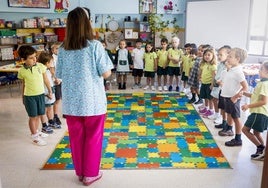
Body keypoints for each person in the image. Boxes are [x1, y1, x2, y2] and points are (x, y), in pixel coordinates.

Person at [56, 7, 114, 185]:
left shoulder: (62, 49)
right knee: (93, 138)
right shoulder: (94, 46)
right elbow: (106, 74)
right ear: (86, 23)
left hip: (72, 104)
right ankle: (90, 174)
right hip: (93, 102)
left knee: (76, 138)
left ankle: (81, 172)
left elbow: (59, 74)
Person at [17, 45, 53, 146]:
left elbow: (46, 79)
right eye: (31, 58)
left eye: (35, 57)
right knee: (33, 117)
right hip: (30, 97)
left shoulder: (40, 66)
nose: (34, 59)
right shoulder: (21, 71)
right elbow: (24, 84)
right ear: (23, 59)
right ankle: (34, 137)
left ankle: (36, 131)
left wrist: (50, 91)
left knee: (38, 115)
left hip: (40, 95)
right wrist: (23, 97)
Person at [218, 48, 248, 146]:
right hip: (227, 96)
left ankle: (238, 139)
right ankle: (229, 130)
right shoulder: (231, 69)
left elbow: (245, 87)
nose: (228, 58)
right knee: (229, 114)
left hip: (233, 99)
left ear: (237, 59)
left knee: (236, 118)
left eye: (230, 56)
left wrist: (235, 97)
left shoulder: (238, 71)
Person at [242, 62, 268, 160]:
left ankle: (260, 147)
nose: (259, 71)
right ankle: (263, 152)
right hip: (260, 113)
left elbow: (263, 101)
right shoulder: (262, 83)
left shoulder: (264, 84)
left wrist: (248, 105)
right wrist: (245, 94)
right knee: (257, 133)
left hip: (259, 112)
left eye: (261, 69)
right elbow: (256, 96)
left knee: (245, 130)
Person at [38, 52, 61, 134]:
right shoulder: (41, 70)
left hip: (51, 89)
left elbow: (50, 79)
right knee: (43, 109)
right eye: (51, 62)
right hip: (45, 91)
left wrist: (54, 79)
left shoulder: (47, 70)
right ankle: (44, 125)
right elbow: (45, 81)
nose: (52, 64)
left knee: (50, 107)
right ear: (47, 62)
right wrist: (49, 92)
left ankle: (50, 121)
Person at [208, 45, 231, 124]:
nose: (218, 56)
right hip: (216, 84)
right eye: (218, 55)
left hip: (222, 86)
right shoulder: (220, 64)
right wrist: (213, 83)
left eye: (221, 55)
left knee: (220, 103)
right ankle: (216, 113)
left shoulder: (228, 65)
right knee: (214, 99)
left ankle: (221, 117)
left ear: (228, 55)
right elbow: (217, 73)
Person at [198, 47, 218, 118]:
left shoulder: (213, 66)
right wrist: (200, 77)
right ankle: (206, 108)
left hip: (209, 84)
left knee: (210, 98)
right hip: (204, 83)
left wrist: (212, 85)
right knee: (205, 97)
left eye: (209, 55)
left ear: (213, 56)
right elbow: (201, 72)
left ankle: (211, 110)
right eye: (205, 55)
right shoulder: (204, 64)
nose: (207, 56)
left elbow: (214, 76)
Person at [50, 42, 63, 126]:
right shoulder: (51, 58)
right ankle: (55, 116)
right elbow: (52, 69)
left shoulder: (62, 57)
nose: (58, 50)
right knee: (57, 99)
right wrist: (56, 78)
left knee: (63, 98)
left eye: (60, 48)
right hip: (56, 81)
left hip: (63, 80)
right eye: (56, 48)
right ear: (52, 50)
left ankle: (65, 112)